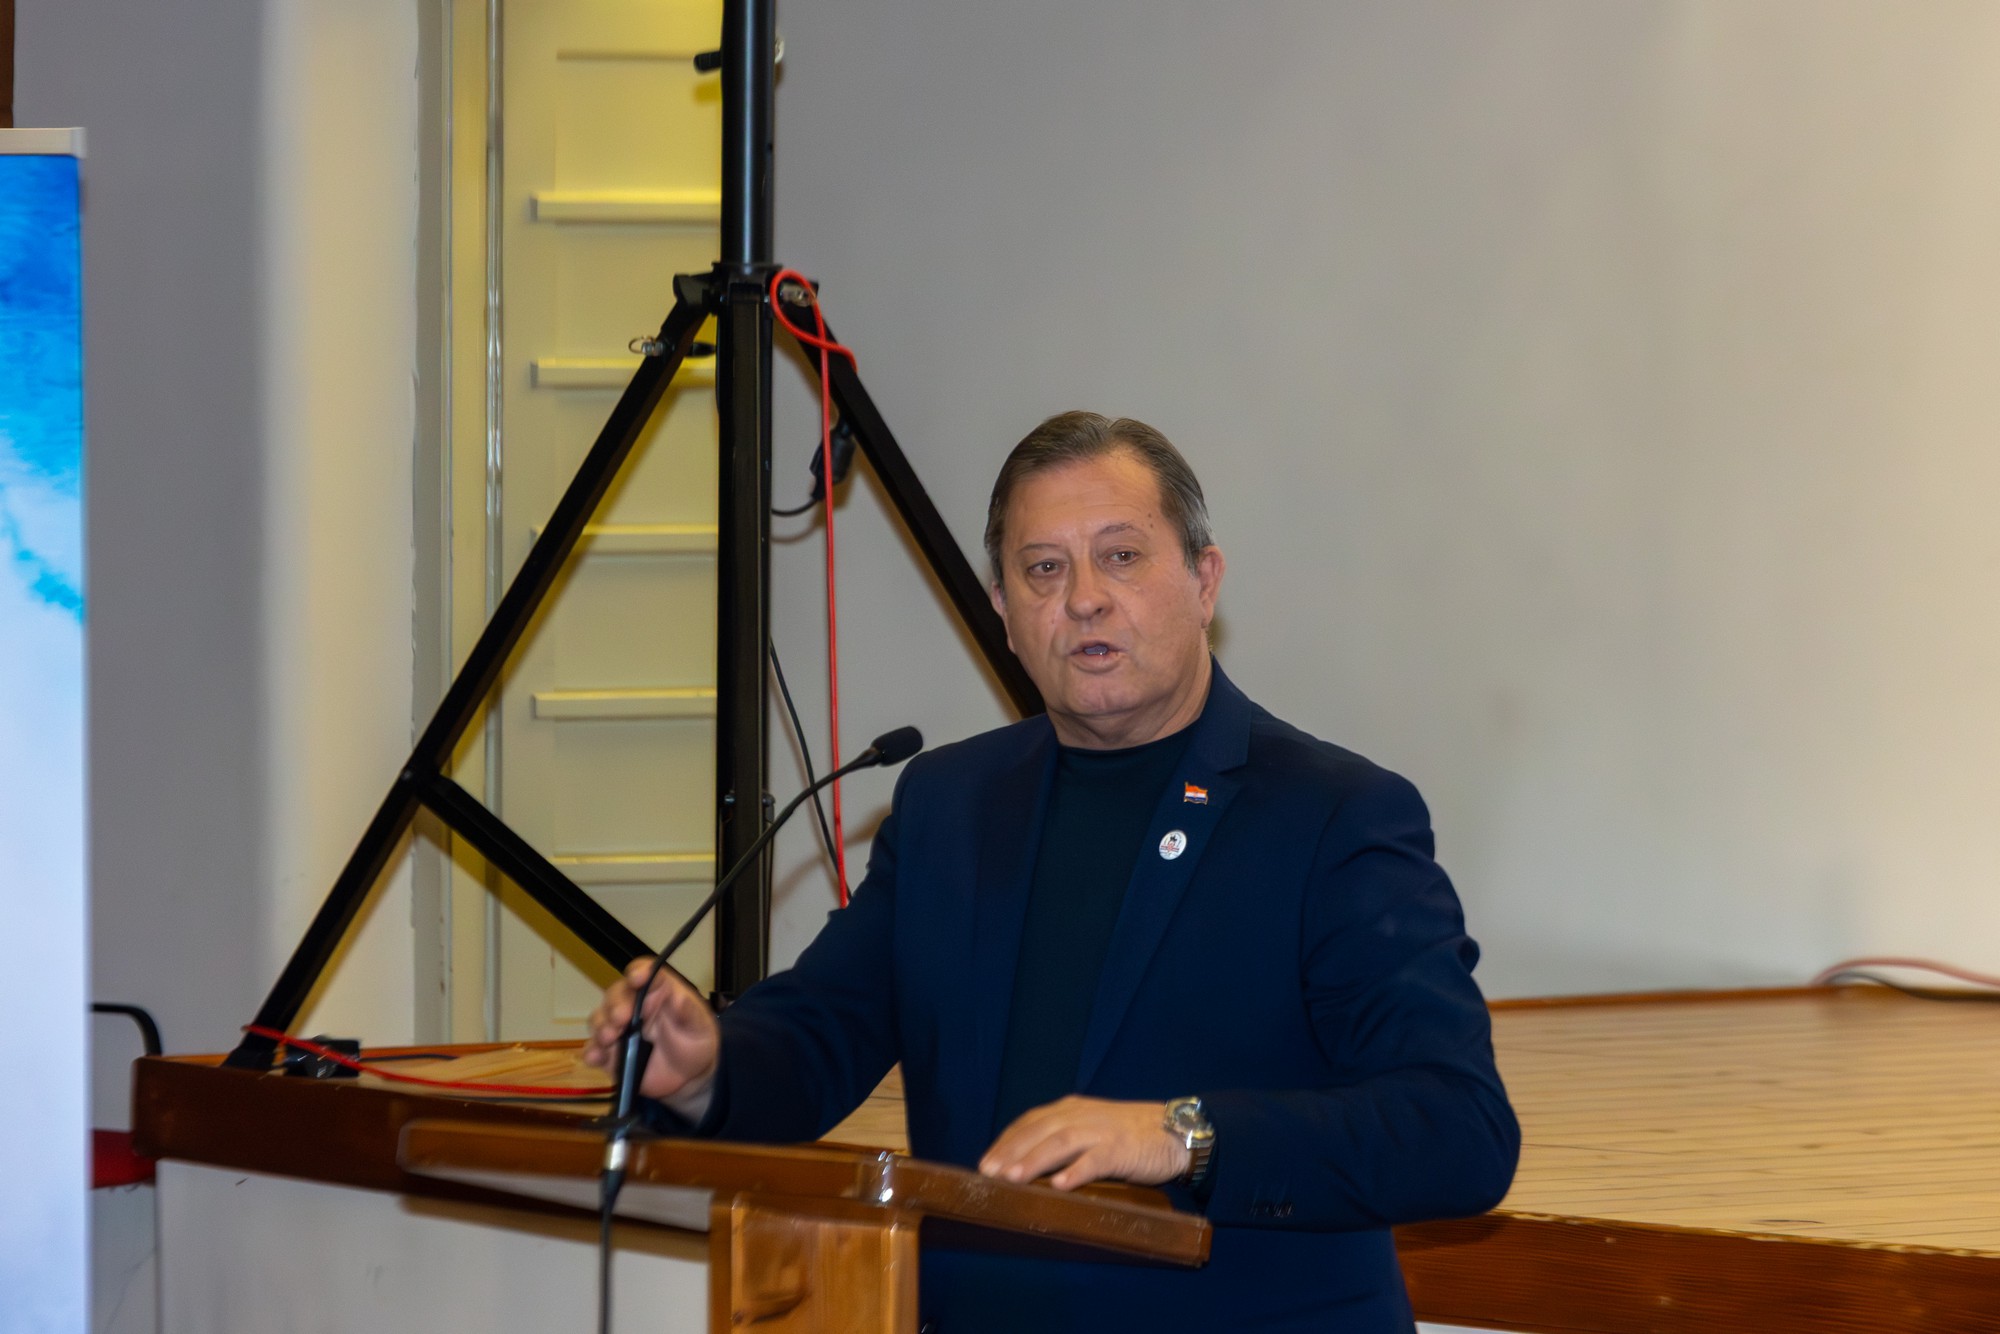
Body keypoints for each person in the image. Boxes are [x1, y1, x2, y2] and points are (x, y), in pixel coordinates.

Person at [585, 411, 1518, 1331]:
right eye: (1044, 569)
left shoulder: (1332, 814)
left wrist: (1182, 1134)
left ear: (1204, 581)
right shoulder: (950, 802)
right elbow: (824, 1028)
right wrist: (704, 1068)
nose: (1084, 599)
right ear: (1003, 611)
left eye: (1122, 556)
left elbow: (1457, 1128)